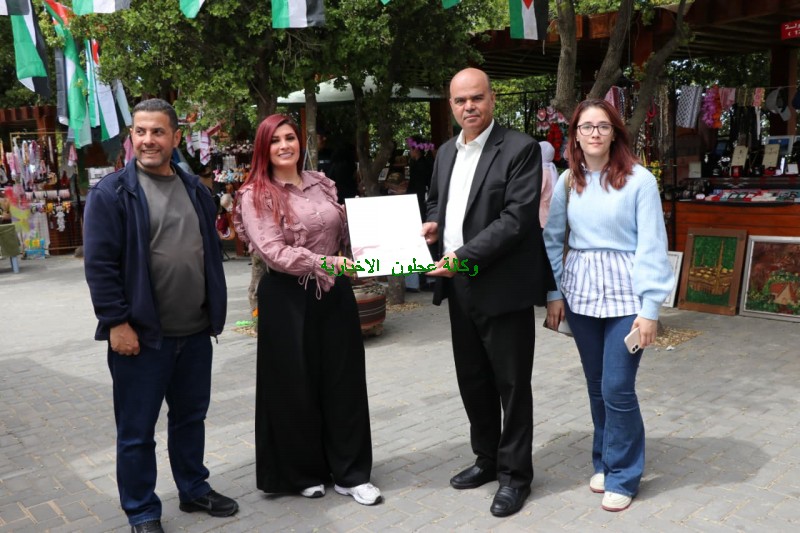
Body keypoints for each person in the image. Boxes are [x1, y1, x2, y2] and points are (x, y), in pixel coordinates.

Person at [83, 99, 237, 533]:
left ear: (175, 137)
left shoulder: (195, 189)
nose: (148, 140)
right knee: (136, 431)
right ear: (131, 136)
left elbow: (206, 252)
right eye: (140, 131)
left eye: (157, 131)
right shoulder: (112, 193)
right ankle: (142, 510)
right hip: (141, 337)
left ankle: (193, 488)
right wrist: (117, 322)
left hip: (195, 332)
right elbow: (100, 266)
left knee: (190, 419)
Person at [421, 67, 554, 518]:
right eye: (460, 101)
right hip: (458, 286)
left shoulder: (520, 149)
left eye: (476, 98)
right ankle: (487, 459)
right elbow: (437, 200)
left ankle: (516, 476)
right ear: (451, 105)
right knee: (473, 379)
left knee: (511, 385)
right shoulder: (446, 152)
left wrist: (461, 256)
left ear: (492, 99)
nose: (469, 107)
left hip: (502, 285)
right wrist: (433, 223)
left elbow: (516, 221)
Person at [232, 114, 381, 506]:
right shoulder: (256, 194)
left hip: (334, 293)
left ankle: (351, 473)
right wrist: (328, 263)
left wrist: (384, 241)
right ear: (263, 148)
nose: (285, 146)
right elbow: (273, 252)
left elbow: (344, 233)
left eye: (290, 137)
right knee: (293, 388)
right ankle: (301, 472)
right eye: (275, 140)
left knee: (344, 383)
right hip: (287, 298)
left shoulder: (321, 182)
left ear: (300, 142)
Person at [542, 98, 674, 513]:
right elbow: (553, 239)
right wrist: (553, 292)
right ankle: (603, 459)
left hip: (626, 296)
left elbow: (653, 244)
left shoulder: (639, 181)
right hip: (581, 296)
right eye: (586, 126)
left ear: (615, 132)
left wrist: (650, 309)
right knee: (597, 385)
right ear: (576, 135)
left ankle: (623, 474)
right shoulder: (568, 181)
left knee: (617, 387)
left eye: (603, 126)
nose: (595, 133)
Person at [538, 140, 557, 228]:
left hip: (541, 215)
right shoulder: (551, 170)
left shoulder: (543, 172)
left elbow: (536, 192)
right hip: (548, 213)